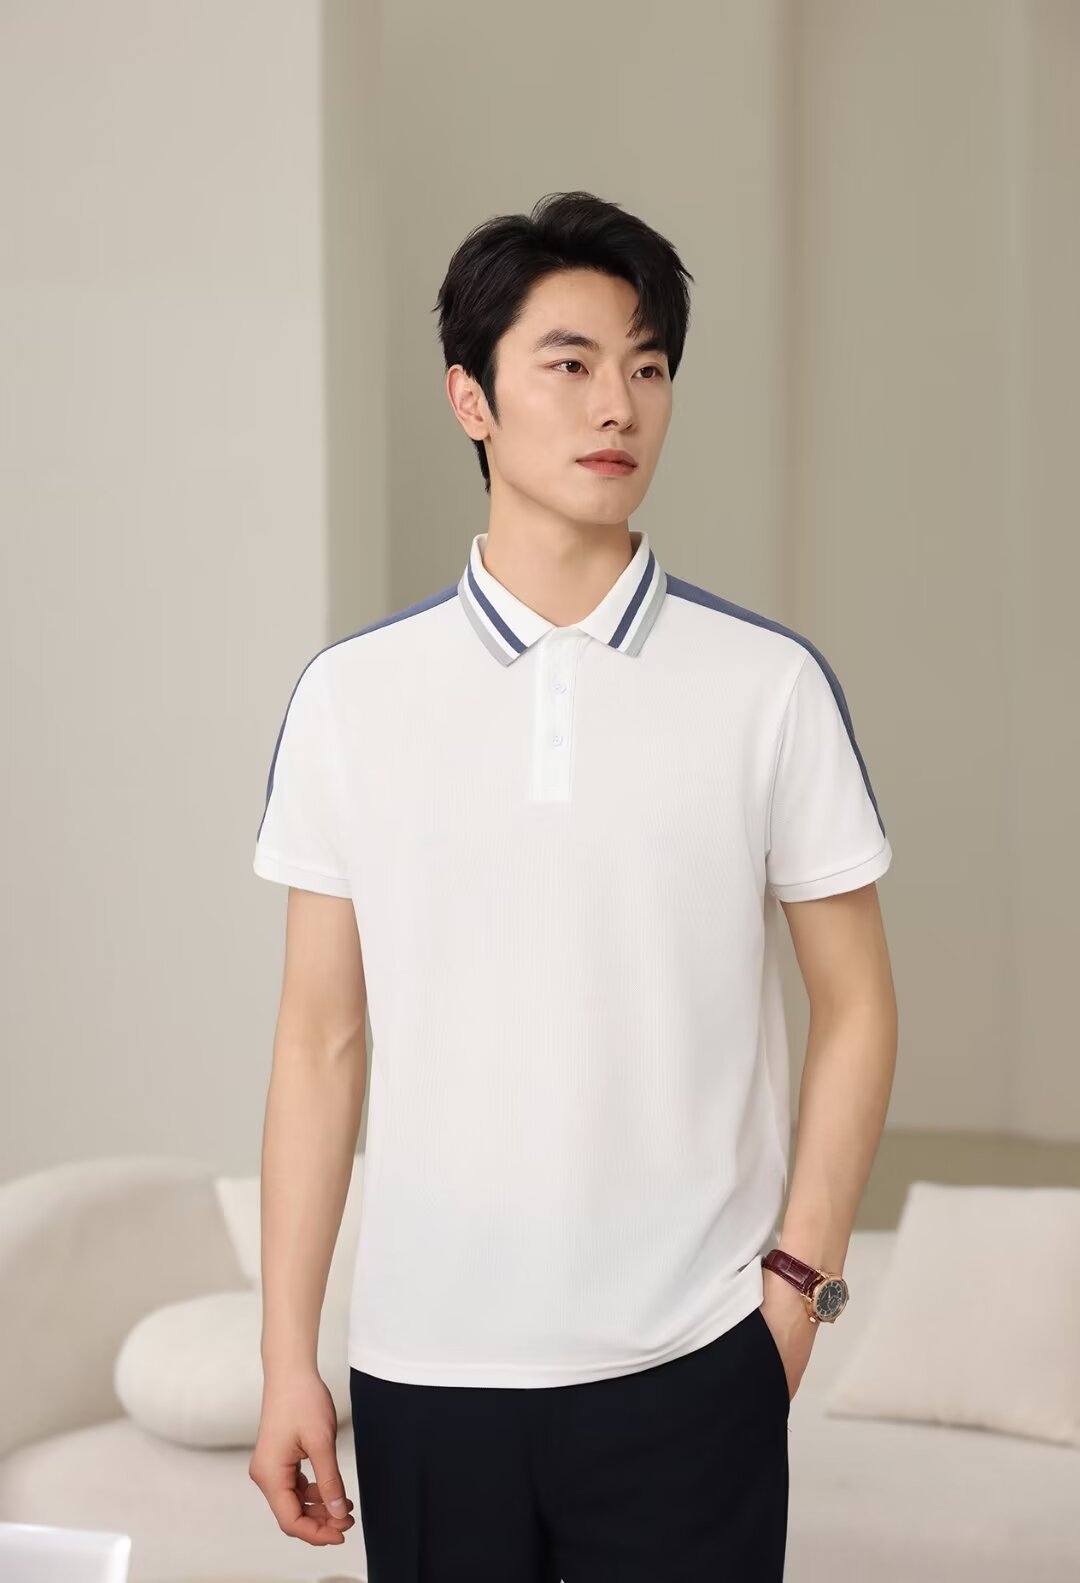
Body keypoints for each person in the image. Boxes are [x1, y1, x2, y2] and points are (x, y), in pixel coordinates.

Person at [248, 190, 899, 1580]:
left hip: (693, 1362)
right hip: (424, 1373)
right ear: (470, 399)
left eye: (649, 367)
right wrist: (286, 1354)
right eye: (572, 363)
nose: (620, 404)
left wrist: (798, 1290)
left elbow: (856, 1005)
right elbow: (319, 1038)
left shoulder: (768, 688)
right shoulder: (353, 697)